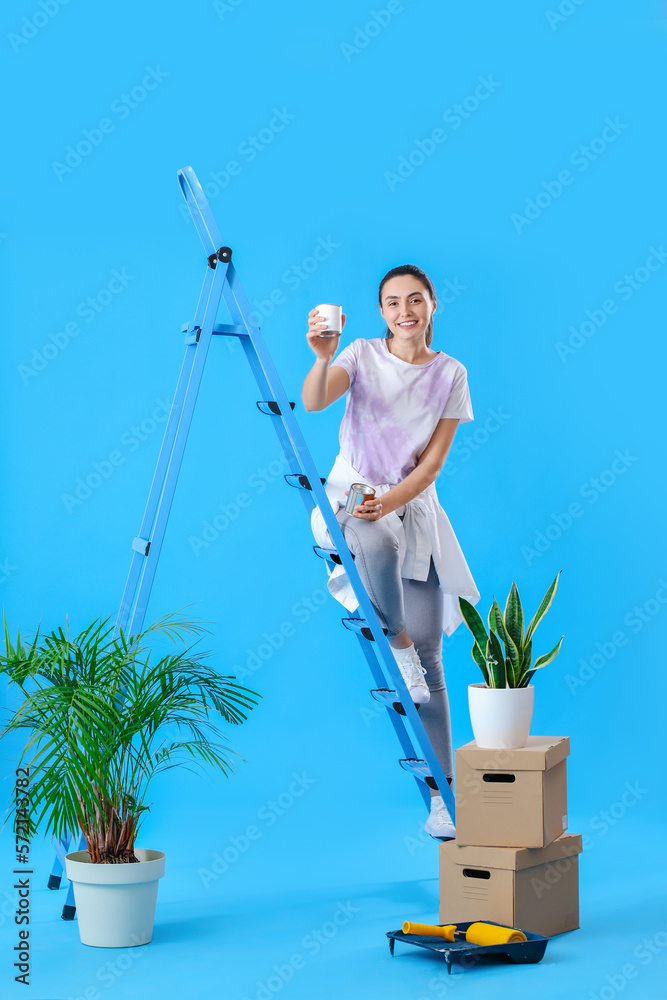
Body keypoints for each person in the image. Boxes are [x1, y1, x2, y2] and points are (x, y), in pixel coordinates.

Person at [302, 264, 480, 839]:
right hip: (354, 486)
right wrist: (322, 355)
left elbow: (432, 463)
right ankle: (395, 643)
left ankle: (441, 796)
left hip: (415, 499)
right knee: (373, 541)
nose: (404, 311)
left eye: (414, 300)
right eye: (391, 302)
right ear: (380, 312)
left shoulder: (452, 373)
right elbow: (314, 402)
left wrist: (396, 499)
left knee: (434, 661)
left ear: (433, 304)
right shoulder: (358, 353)